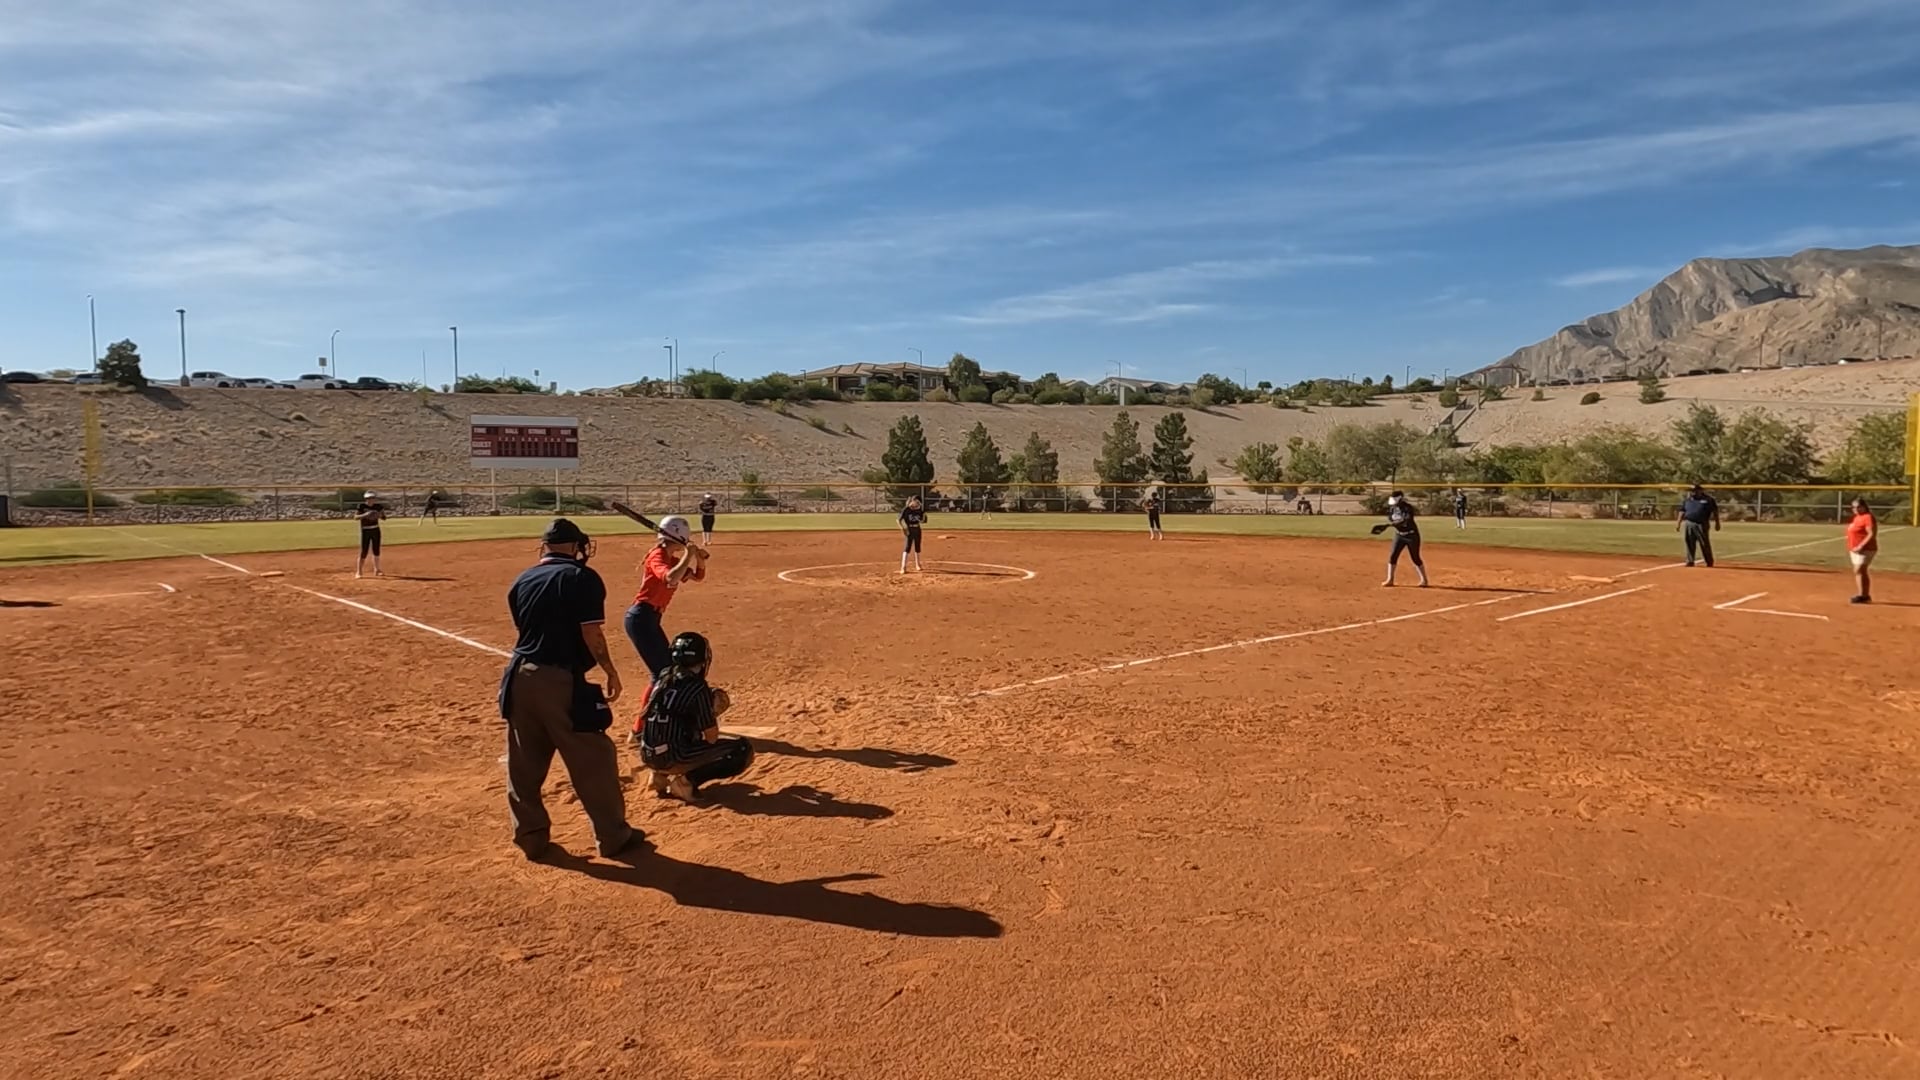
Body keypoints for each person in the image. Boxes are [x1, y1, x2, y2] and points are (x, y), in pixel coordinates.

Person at [500, 518, 641, 861]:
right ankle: (613, 837)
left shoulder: (522, 579)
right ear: (576, 545)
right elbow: (590, 632)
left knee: (524, 765)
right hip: (559, 680)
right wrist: (610, 670)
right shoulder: (581, 577)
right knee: (594, 758)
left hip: (518, 677)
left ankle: (531, 838)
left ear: (545, 546)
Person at [636, 631, 755, 801]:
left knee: (675, 725)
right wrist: (708, 712)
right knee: (742, 750)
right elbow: (711, 737)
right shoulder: (697, 688)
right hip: (673, 757)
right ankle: (686, 783)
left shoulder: (664, 676)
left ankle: (658, 776)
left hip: (647, 755)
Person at [624, 514, 706, 688]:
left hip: (651, 618)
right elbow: (670, 578)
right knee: (661, 673)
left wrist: (698, 559)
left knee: (667, 669)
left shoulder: (672, 560)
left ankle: (659, 705)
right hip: (641, 617)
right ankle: (651, 707)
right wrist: (688, 554)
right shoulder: (657, 556)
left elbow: (698, 576)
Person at [1371, 490, 1429, 587]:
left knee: (1415, 558)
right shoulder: (1392, 509)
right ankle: (1390, 580)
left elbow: (1407, 520)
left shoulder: (1407, 508)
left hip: (1411, 535)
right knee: (1393, 556)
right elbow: (1391, 518)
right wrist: (1388, 525)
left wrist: (1391, 525)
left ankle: (1424, 580)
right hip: (1399, 535)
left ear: (1401, 499)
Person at [1675, 483, 1720, 567]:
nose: (1693, 492)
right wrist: (1678, 523)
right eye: (1691, 491)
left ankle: (1709, 561)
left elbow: (1715, 511)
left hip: (1701, 524)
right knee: (1689, 542)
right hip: (1689, 523)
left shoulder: (1708, 500)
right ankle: (1690, 561)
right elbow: (1682, 511)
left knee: (1704, 543)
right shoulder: (1688, 500)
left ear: (1700, 490)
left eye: (1694, 491)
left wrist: (1717, 523)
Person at [1846, 498, 1878, 604]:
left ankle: (1863, 595)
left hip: (1866, 549)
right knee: (1860, 571)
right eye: (1853, 507)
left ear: (1864, 507)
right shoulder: (1857, 518)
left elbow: (1871, 534)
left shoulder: (1868, 517)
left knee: (1859, 569)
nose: (1856, 509)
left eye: (1858, 507)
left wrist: (1861, 546)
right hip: (1854, 549)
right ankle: (1864, 595)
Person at [354, 491, 385, 578]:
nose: (371, 500)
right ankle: (359, 572)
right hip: (365, 530)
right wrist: (365, 514)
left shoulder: (378, 507)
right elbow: (355, 517)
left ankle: (377, 570)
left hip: (375, 529)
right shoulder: (362, 506)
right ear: (366, 499)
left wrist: (378, 515)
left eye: (372, 498)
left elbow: (384, 517)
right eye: (369, 498)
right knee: (364, 551)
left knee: (376, 550)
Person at [899, 495, 927, 573]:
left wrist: (924, 516)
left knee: (917, 547)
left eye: (919, 502)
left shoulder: (919, 510)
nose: (918, 503)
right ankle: (903, 567)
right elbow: (899, 520)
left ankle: (918, 565)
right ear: (912, 501)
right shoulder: (906, 509)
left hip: (917, 529)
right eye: (916, 502)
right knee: (907, 547)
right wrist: (903, 528)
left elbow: (923, 521)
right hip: (909, 529)